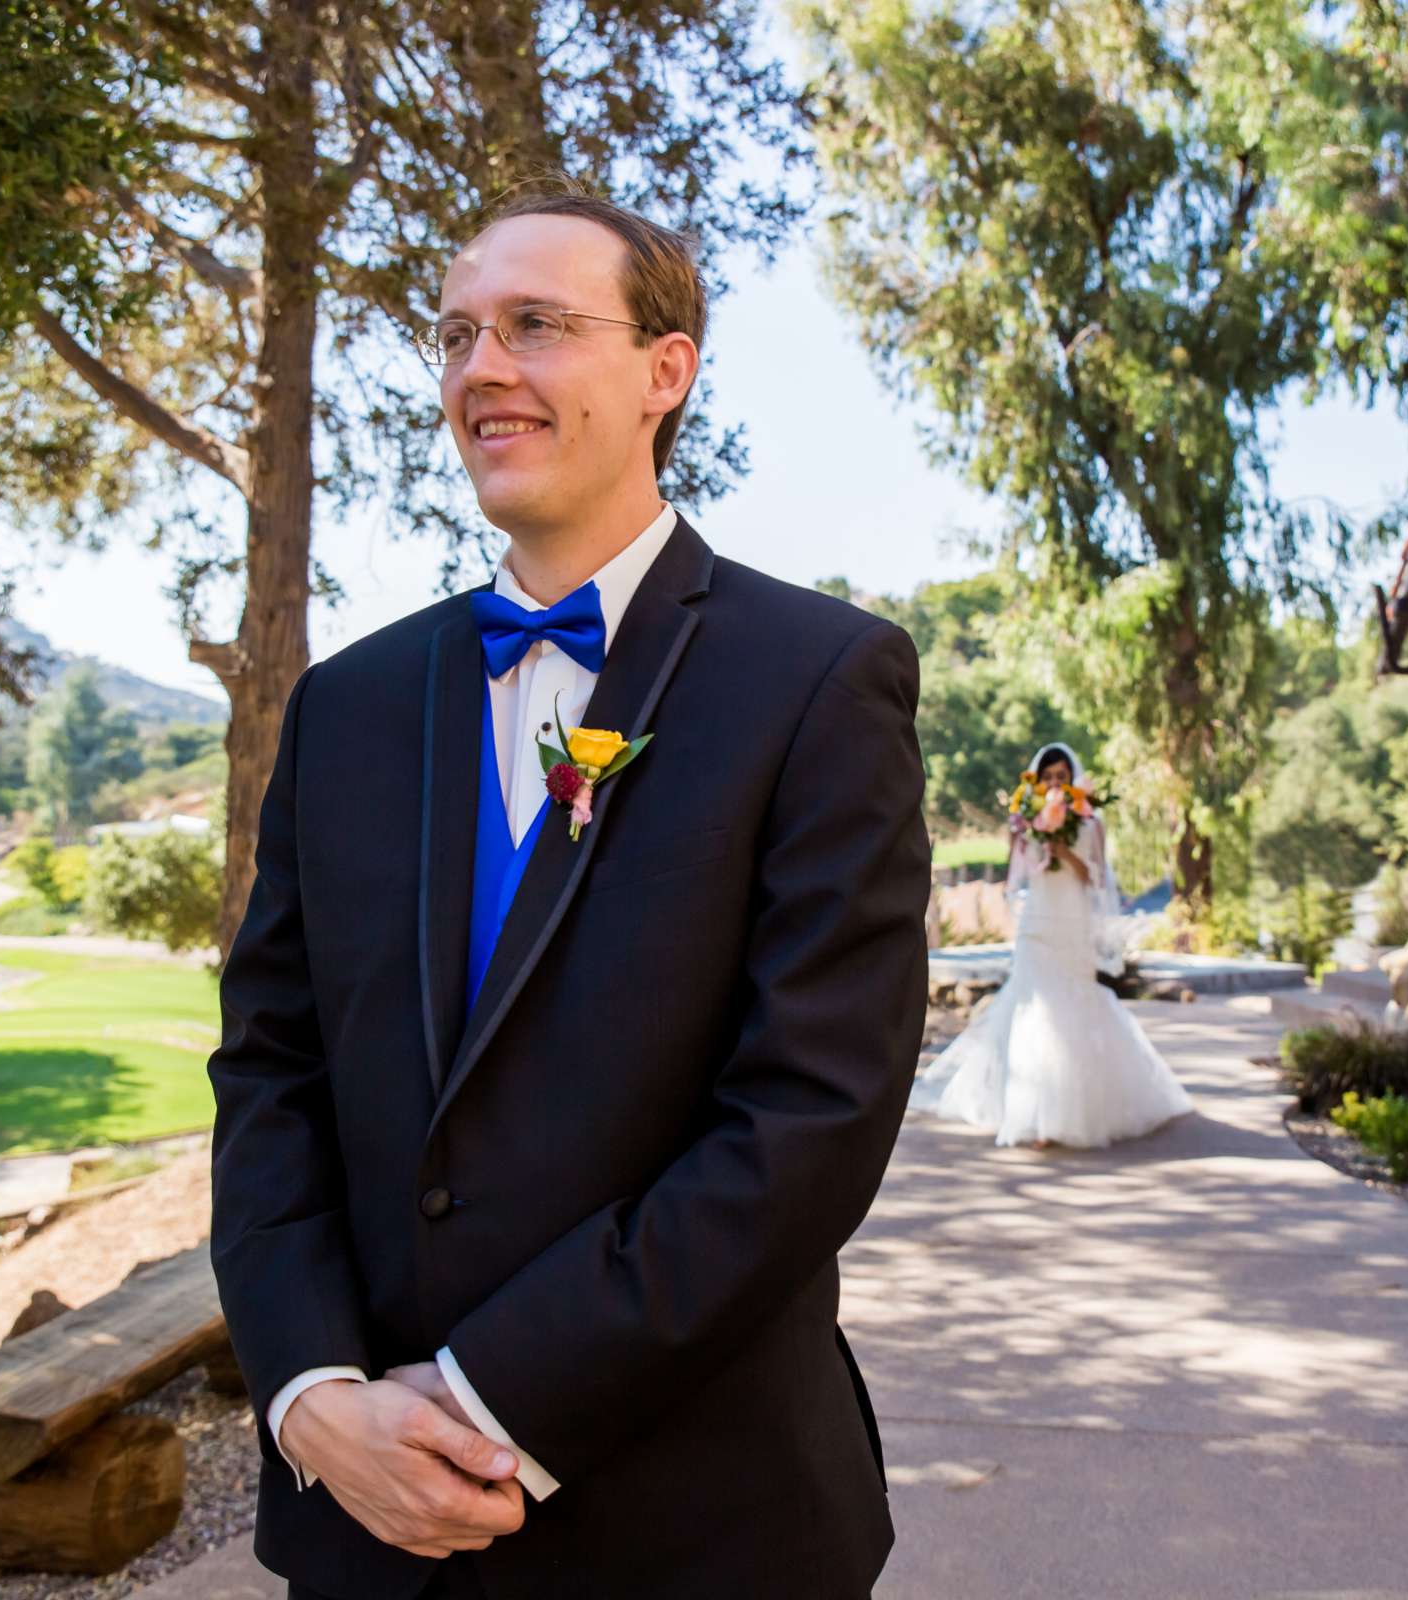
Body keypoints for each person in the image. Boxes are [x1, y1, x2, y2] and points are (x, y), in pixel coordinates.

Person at [204, 184, 930, 1600]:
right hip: (369, 1526)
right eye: (459, 334)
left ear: (667, 372)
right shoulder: (346, 705)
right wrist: (311, 1396)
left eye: (536, 325)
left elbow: (810, 1114)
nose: (483, 368)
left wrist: (487, 1401)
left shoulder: (819, 680)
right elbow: (270, 1074)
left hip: (702, 1523)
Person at [911, 743, 1192, 1150]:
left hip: (1072, 920)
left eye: (1062, 776)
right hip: (1037, 920)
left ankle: (1072, 1111)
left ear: (1072, 778)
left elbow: (1097, 878)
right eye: (1049, 777)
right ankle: (1031, 1113)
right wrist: (1022, 838)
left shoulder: (1089, 821)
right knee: (1029, 1005)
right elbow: (1018, 876)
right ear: (1038, 780)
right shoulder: (1026, 819)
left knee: (1072, 1006)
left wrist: (1066, 853)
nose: (1056, 783)